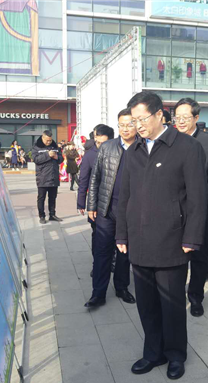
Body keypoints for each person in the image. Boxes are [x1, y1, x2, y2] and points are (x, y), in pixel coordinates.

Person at [116, 91, 207, 380]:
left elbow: (197, 198)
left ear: (159, 115)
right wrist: (122, 234)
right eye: (133, 120)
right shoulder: (134, 152)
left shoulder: (187, 147)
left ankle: (176, 355)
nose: (138, 125)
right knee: (147, 305)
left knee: (172, 305)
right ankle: (152, 353)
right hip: (139, 243)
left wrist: (191, 238)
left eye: (142, 119)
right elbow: (124, 198)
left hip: (172, 242)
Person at [174, 98, 208, 317]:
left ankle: (195, 297)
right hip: (172, 212)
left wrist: (200, 198)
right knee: (174, 258)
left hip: (199, 212)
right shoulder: (168, 140)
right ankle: (175, 297)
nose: (181, 121)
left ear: (196, 118)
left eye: (186, 117)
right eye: (177, 117)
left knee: (199, 259)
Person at [85, 110, 137, 308]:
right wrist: (91, 205)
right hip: (106, 208)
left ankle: (122, 287)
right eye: (121, 124)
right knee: (102, 252)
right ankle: (98, 293)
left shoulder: (144, 147)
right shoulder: (107, 147)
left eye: (129, 124)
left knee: (124, 253)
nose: (125, 128)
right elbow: (95, 177)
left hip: (130, 211)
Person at [77, 125, 113, 277]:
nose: (100, 144)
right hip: (96, 203)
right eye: (98, 141)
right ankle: (97, 264)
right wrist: (81, 202)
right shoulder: (90, 155)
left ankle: (112, 261)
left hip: (114, 203)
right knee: (98, 236)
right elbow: (83, 179)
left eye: (104, 142)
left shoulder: (118, 151)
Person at [32, 130, 63, 224]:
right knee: (41, 198)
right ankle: (42, 216)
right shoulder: (36, 147)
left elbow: (61, 158)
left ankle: (52, 214)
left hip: (54, 176)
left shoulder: (55, 146)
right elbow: (36, 159)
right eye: (47, 140)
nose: (49, 142)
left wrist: (57, 158)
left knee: (53, 197)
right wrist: (47, 155)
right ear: (43, 137)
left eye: (50, 140)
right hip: (43, 177)